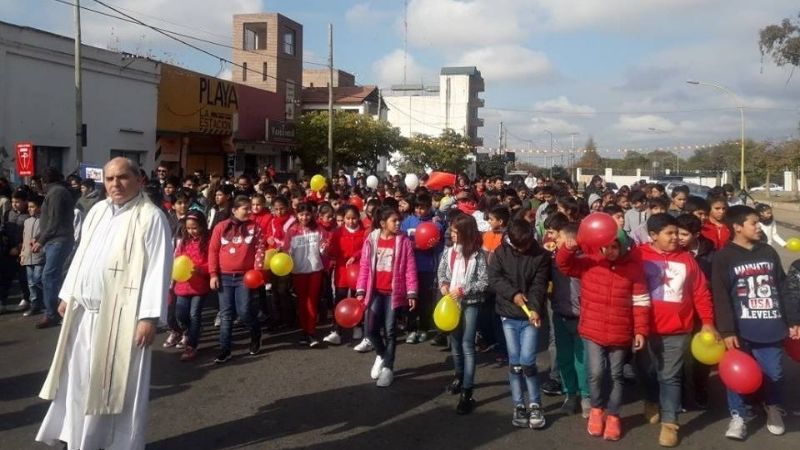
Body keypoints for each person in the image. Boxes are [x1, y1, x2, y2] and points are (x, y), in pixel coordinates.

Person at [36, 157, 172, 450]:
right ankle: (76, 439)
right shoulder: (97, 210)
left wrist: (148, 318)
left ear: (139, 180)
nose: (115, 184)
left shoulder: (151, 217)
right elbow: (83, 252)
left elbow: (158, 268)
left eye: (122, 177)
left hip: (123, 319)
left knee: (117, 387)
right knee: (79, 380)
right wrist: (68, 292)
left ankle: (116, 444)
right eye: (109, 179)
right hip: (84, 314)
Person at [712, 205, 800, 440]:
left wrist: (792, 319)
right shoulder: (724, 257)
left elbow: (782, 288)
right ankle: (737, 416)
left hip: (771, 327)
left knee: (775, 373)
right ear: (737, 227)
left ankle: (773, 408)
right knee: (736, 376)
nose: (759, 226)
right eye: (754, 223)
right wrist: (727, 329)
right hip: (740, 330)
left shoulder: (768, 252)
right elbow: (720, 296)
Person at [556, 234, 650, 441]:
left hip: (621, 331)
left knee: (616, 375)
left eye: (615, 247)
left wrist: (640, 330)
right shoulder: (590, 262)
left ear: (623, 247)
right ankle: (597, 410)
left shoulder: (634, 269)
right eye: (605, 247)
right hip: (592, 329)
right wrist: (568, 248)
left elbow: (641, 302)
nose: (610, 251)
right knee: (596, 372)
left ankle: (614, 415)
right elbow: (564, 266)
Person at [636, 213, 717, 447]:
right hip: (644, 330)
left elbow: (700, 292)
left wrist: (708, 322)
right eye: (669, 234)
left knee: (670, 377)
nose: (675, 238)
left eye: (676, 233)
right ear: (653, 235)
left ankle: (670, 423)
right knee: (648, 371)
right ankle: (651, 400)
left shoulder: (687, 260)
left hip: (678, 329)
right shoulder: (638, 256)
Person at [488, 218, 551, 429]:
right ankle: (518, 405)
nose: (524, 249)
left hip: (530, 316)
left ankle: (535, 404)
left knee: (528, 362)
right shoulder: (500, 253)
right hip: (508, 314)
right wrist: (513, 294)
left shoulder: (540, 255)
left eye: (527, 245)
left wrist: (534, 307)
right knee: (515, 363)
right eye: (520, 246)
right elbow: (495, 278)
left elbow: (539, 284)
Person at [355, 206, 418, 387]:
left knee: (390, 331)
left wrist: (412, 292)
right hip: (374, 292)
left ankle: (389, 368)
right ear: (383, 224)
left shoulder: (403, 241)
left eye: (399, 220)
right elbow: (365, 267)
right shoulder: (372, 240)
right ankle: (382, 355)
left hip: (393, 293)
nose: (398, 223)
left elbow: (410, 269)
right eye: (394, 221)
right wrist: (360, 290)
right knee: (370, 330)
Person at [438, 214, 489, 415]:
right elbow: (442, 272)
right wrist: (443, 284)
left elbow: (484, 282)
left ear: (467, 233)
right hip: (451, 304)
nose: (452, 235)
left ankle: (467, 391)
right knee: (455, 343)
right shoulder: (448, 252)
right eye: (451, 231)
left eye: (456, 232)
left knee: (468, 344)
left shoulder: (478, 255)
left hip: (470, 304)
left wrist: (463, 290)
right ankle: (459, 375)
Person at [208, 195, 265, 363]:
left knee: (244, 312)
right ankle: (225, 350)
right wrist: (213, 274)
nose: (249, 211)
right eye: (245, 208)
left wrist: (257, 270)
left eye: (250, 208)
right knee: (226, 315)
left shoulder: (255, 227)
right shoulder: (221, 227)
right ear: (234, 210)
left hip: (245, 278)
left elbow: (261, 248)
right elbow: (213, 251)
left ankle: (256, 335)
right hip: (224, 277)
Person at [544, 216, 591, 418]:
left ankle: (586, 396)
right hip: (560, 315)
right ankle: (570, 394)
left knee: (583, 359)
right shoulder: (553, 260)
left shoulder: (585, 261)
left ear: (572, 240)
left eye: (560, 237)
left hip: (582, 317)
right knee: (564, 358)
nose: (556, 240)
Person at [282, 202, 331, 347]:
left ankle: (311, 332)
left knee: (312, 301)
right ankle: (305, 331)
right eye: (301, 214)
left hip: (315, 270)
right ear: (297, 215)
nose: (305, 217)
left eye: (308, 214)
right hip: (299, 272)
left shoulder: (319, 229)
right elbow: (286, 251)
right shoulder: (292, 231)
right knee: (302, 302)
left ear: (312, 214)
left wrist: (325, 247)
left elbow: (325, 245)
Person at [33, 168, 75, 329]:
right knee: (51, 277)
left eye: (37, 183)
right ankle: (57, 308)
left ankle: (52, 314)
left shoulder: (56, 193)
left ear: (44, 181)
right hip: (53, 240)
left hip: (59, 240)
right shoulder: (55, 192)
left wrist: (41, 241)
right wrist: (38, 238)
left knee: (49, 276)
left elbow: (54, 221)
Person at [401, 193, 445, 344]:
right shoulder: (408, 222)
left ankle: (424, 328)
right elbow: (401, 239)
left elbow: (438, 242)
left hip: (427, 267)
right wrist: (412, 245)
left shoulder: (435, 223)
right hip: (410, 268)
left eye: (424, 208)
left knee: (426, 300)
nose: (420, 211)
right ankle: (411, 329)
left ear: (429, 208)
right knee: (411, 298)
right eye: (418, 208)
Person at [173, 210, 211, 361]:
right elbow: (177, 258)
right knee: (180, 314)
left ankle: (191, 345)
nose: (191, 231)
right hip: (183, 284)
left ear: (202, 226)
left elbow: (212, 263)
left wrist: (200, 270)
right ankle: (190, 331)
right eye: (189, 228)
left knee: (194, 315)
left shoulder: (207, 242)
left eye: (195, 228)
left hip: (199, 286)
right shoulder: (184, 241)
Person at [328, 205, 367, 344]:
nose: (351, 221)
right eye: (347, 218)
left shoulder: (364, 232)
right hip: (342, 271)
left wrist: (356, 256)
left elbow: (366, 249)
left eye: (354, 218)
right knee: (339, 298)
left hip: (358, 271)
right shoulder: (337, 233)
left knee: (358, 298)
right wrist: (327, 249)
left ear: (358, 218)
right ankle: (336, 330)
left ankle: (358, 325)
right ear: (343, 219)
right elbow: (332, 251)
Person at [0, 189, 29, 314]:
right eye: (13, 202)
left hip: (23, 250)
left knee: (24, 278)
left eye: (17, 202)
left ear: (25, 202)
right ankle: (2, 301)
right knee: (6, 277)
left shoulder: (28, 214)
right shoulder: (7, 214)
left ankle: (26, 299)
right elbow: (3, 229)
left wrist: (19, 247)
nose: (14, 204)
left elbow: (29, 234)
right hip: (8, 251)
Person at [20, 194, 44, 316]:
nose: (29, 208)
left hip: (39, 256)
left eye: (32, 206)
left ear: (39, 207)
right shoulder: (27, 221)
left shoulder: (44, 220)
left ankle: (46, 302)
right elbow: (24, 239)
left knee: (38, 279)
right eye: (28, 206)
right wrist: (22, 254)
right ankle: (35, 305)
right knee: (31, 282)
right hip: (28, 257)